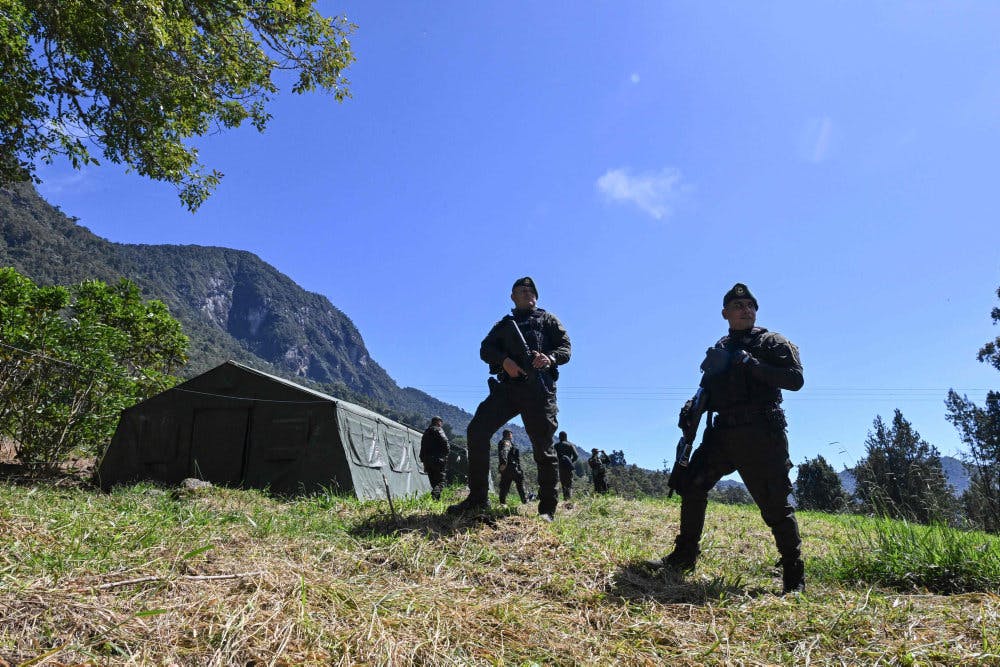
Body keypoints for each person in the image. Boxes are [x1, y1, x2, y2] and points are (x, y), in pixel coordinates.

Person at [652, 283, 805, 594]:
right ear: (725, 313)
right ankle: (684, 555)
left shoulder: (772, 342)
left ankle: (793, 574)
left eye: (750, 305)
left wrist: (755, 365)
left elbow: (795, 379)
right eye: (738, 306)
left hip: (762, 432)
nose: (745, 309)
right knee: (692, 483)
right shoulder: (720, 347)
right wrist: (691, 408)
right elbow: (705, 387)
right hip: (723, 433)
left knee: (776, 503)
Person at [447, 277, 571, 522]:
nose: (527, 293)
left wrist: (549, 358)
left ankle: (547, 509)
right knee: (477, 431)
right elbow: (485, 349)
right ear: (512, 297)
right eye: (521, 291)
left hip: (539, 391)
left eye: (531, 290)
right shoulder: (505, 325)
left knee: (543, 450)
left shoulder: (548, 320)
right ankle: (478, 498)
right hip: (509, 389)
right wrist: (505, 361)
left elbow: (565, 348)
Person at [419, 416, 450, 500]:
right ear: (438, 422)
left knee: (433, 482)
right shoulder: (439, 430)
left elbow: (422, 448)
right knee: (441, 482)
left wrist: (424, 461)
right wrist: (445, 455)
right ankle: (435, 494)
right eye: (441, 422)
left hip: (427, 461)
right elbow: (446, 443)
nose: (441, 424)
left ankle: (436, 500)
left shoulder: (426, 433)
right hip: (438, 460)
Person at [497, 429, 528, 505]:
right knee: (519, 486)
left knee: (504, 487)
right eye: (511, 434)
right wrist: (503, 463)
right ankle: (524, 502)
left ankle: (502, 503)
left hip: (509, 469)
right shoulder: (506, 442)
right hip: (512, 468)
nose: (512, 436)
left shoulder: (504, 442)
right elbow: (504, 451)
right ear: (508, 435)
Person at [554, 431, 579, 501]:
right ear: (566, 437)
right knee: (569, 482)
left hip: (560, 466)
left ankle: (565, 498)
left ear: (559, 437)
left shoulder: (556, 446)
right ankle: (569, 498)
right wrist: (570, 461)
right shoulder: (570, 445)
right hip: (568, 466)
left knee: (563, 482)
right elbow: (576, 456)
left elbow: (553, 456)